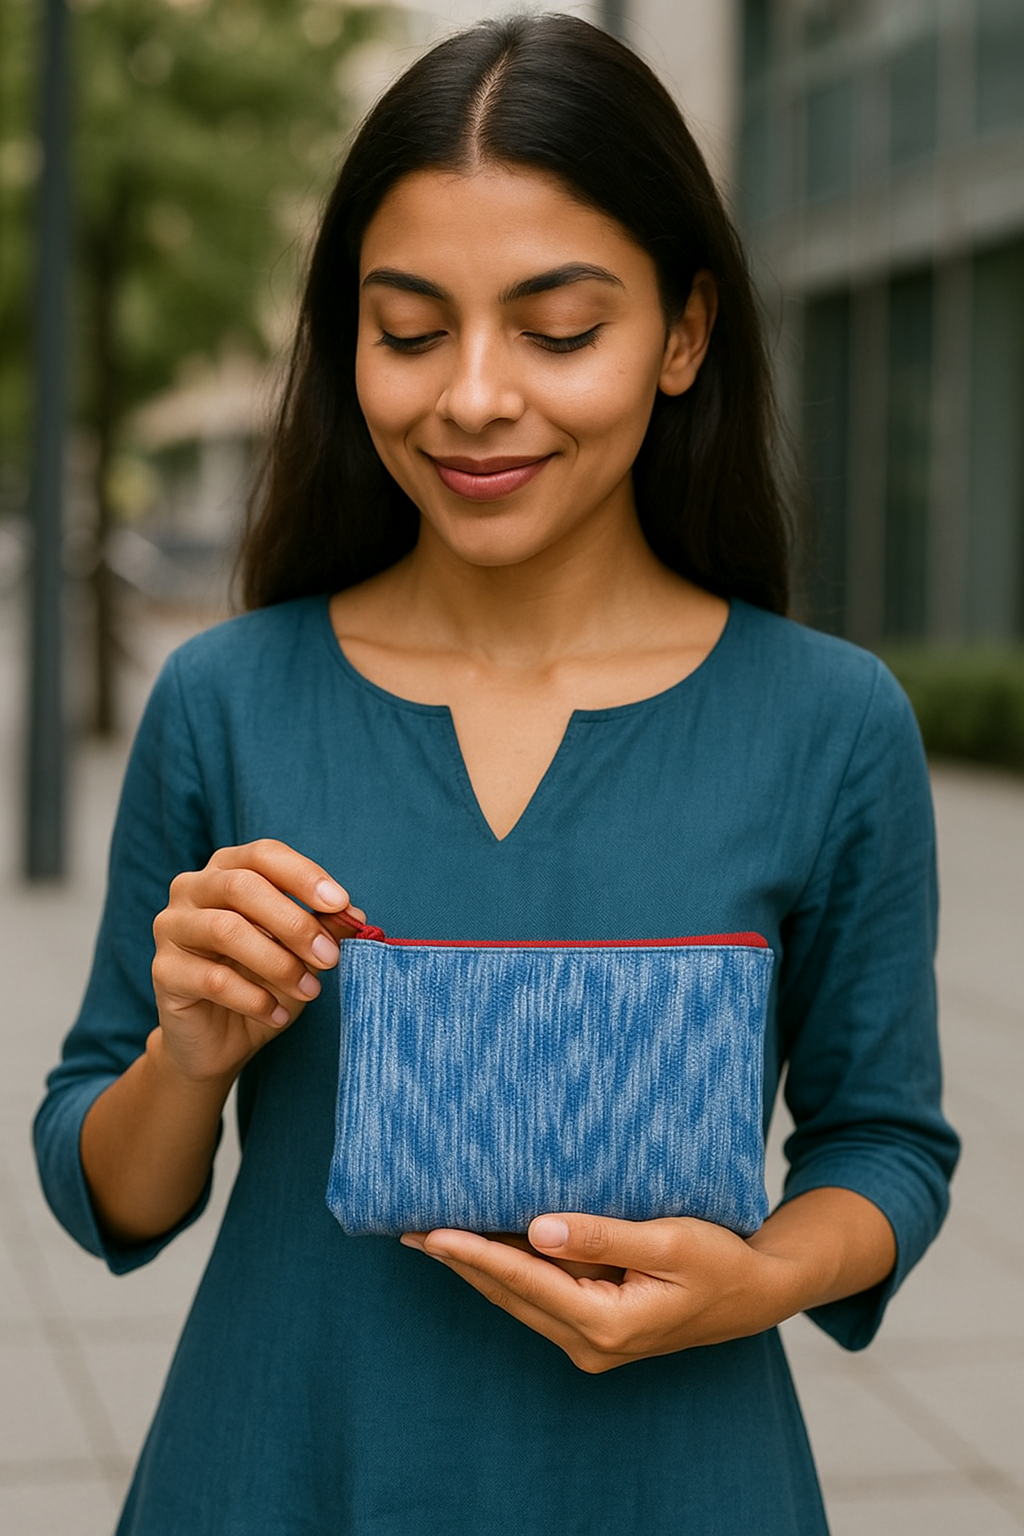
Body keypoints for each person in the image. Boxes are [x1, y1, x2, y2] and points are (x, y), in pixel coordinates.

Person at [35, 14, 959, 1534]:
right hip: (280, 1468)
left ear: (683, 334)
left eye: (555, 328)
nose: (470, 395)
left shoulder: (831, 723)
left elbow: (884, 1144)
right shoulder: (227, 700)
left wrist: (762, 1279)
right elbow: (109, 1190)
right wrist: (185, 1057)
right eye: (408, 330)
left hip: (679, 1480)